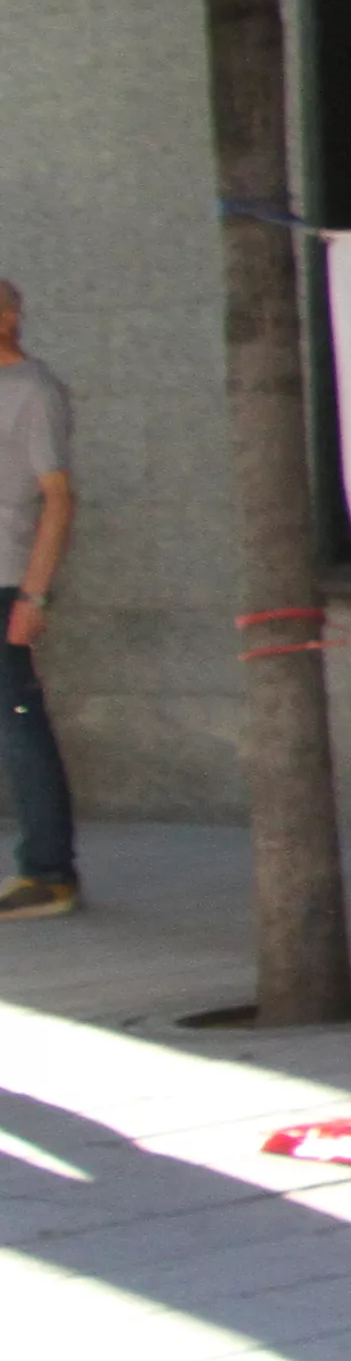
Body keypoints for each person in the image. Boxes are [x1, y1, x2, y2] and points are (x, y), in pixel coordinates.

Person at [0, 280, 66, 921]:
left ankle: (49, 873)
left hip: (6, 581)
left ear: (10, 316)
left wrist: (35, 593)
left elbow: (58, 497)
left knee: (18, 724)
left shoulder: (34, 391)